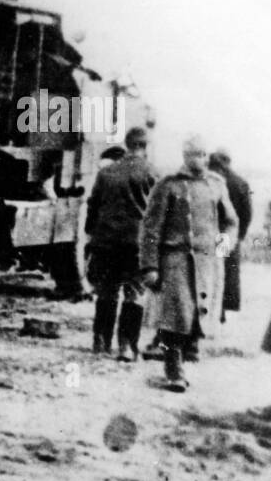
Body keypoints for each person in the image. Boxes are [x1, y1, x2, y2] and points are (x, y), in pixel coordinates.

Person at [139, 134, 238, 391]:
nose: (201, 160)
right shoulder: (168, 185)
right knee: (174, 316)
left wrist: (223, 247)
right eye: (195, 154)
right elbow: (151, 229)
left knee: (196, 313)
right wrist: (149, 266)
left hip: (206, 262)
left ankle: (189, 350)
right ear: (185, 156)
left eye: (204, 155)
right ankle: (174, 371)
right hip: (175, 260)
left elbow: (230, 221)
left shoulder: (216, 185)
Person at [85, 126, 156, 360]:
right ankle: (126, 346)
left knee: (107, 291)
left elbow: (93, 205)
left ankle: (101, 341)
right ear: (145, 147)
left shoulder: (107, 173)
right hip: (136, 244)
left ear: (127, 144)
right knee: (134, 294)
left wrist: (91, 235)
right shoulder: (152, 173)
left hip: (106, 242)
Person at [208, 149, 252, 322]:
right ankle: (223, 311)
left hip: (212, 232)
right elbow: (247, 213)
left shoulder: (210, 181)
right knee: (227, 273)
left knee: (213, 272)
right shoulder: (240, 182)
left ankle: (215, 311)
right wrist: (240, 235)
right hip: (230, 235)